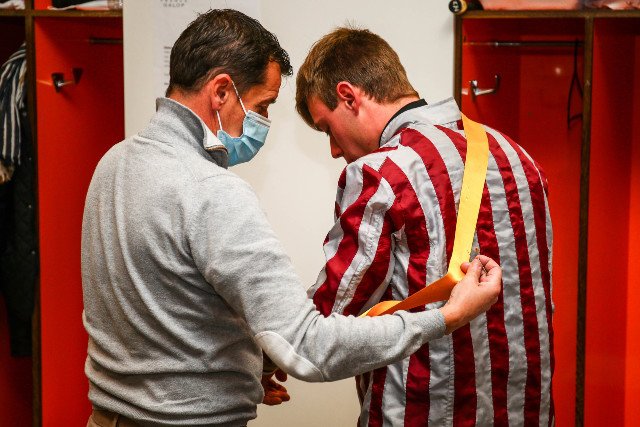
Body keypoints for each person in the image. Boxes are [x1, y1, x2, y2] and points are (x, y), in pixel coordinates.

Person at [81, 9, 502, 427]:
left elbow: (161, 313)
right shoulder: (213, 191)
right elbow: (308, 344)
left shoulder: (113, 164)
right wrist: (446, 317)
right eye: (262, 106)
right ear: (221, 91)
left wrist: (243, 367)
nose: (263, 123)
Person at [296, 27, 554, 426]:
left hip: (423, 410)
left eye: (327, 127)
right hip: (524, 411)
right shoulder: (520, 159)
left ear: (348, 96)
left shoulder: (381, 173)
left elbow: (331, 316)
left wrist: (272, 354)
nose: (333, 149)